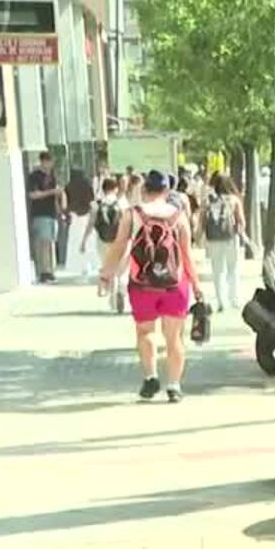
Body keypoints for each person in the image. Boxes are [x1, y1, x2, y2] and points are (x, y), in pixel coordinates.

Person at [99, 170, 204, 402]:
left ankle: (150, 377)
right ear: (167, 191)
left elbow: (118, 247)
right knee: (174, 338)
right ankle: (174, 386)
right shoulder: (178, 216)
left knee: (145, 332)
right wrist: (196, 285)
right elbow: (187, 255)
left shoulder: (132, 214)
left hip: (141, 285)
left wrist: (106, 275)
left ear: (144, 190)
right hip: (175, 285)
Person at [202, 172, 248, 311]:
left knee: (218, 270)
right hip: (230, 238)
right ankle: (234, 299)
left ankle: (221, 301)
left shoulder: (208, 200)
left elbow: (203, 219)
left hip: (213, 239)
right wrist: (241, 232)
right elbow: (241, 221)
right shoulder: (234, 199)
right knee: (233, 269)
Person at [92, 177, 128, 314]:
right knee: (122, 269)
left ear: (103, 189)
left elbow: (91, 223)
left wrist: (84, 240)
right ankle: (121, 291)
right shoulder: (122, 203)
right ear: (116, 188)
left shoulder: (97, 204)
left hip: (103, 241)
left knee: (109, 268)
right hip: (120, 240)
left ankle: (112, 299)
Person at [25, 151, 61, 283]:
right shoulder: (34, 176)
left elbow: (55, 195)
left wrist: (58, 209)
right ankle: (43, 272)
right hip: (40, 213)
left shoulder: (52, 176)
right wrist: (51, 192)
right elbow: (33, 195)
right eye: (49, 162)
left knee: (51, 242)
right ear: (43, 161)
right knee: (43, 243)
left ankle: (50, 270)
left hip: (52, 213)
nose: (51, 165)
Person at [62, 167, 95, 278]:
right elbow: (92, 201)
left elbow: (65, 204)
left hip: (74, 217)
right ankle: (88, 265)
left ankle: (77, 266)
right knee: (87, 241)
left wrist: (66, 215)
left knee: (75, 241)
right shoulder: (87, 185)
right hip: (86, 216)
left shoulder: (68, 186)